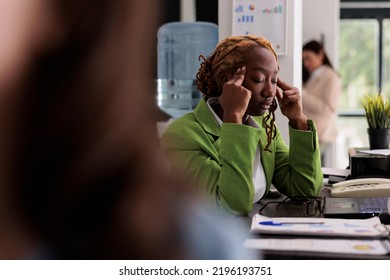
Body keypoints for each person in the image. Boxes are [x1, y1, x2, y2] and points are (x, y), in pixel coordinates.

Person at [0, 0, 254, 260]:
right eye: (255, 79)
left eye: (268, 77)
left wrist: (298, 126)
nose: (267, 90)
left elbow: (285, 182)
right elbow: (235, 200)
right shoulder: (186, 133)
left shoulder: (195, 245)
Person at [161, 35, 323, 215]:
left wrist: (298, 120)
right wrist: (234, 119)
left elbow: (305, 189)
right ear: (225, 79)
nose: (270, 91)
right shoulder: (183, 135)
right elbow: (232, 205)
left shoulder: (263, 126)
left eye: (274, 79)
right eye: (259, 79)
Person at [302, 40, 342, 166]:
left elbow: (329, 108)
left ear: (320, 54)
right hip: (313, 133)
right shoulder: (312, 77)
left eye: (308, 58)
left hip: (322, 134)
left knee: (314, 171)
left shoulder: (332, 77)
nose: (305, 63)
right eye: (303, 59)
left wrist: (302, 93)